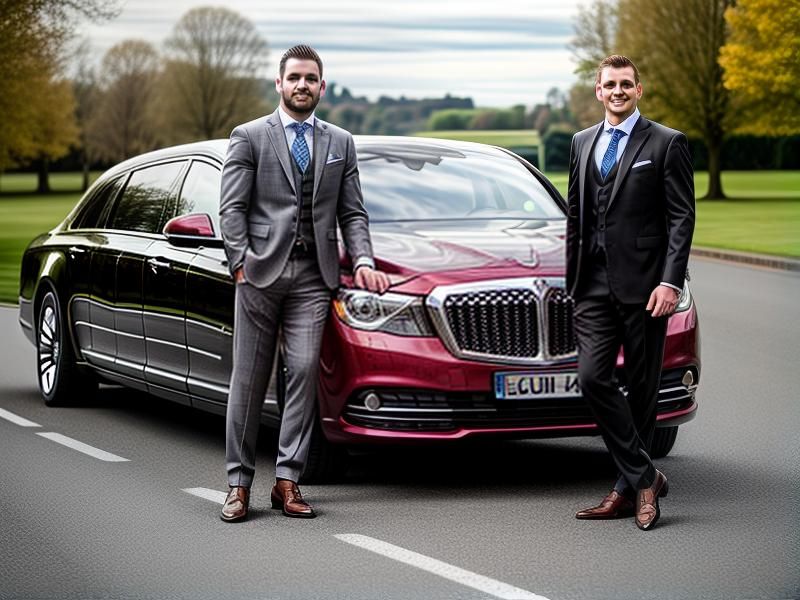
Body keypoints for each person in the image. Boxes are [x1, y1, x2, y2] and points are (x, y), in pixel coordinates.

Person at [218, 44, 390, 521]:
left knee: (303, 376)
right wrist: (241, 265)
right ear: (279, 83)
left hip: (315, 278)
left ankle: (288, 482)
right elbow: (231, 209)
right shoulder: (249, 136)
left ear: (322, 86)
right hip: (259, 276)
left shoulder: (341, 143)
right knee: (248, 382)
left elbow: (353, 212)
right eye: (294, 77)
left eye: (310, 78)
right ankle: (238, 485)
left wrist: (362, 260)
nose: (302, 85)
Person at [566, 55, 695, 530]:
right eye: (609, 85)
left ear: (638, 90)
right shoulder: (581, 143)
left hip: (646, 288)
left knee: (642, 391)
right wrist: (572, 281)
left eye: (626, 84)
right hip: (592, 287)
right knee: (592, 377)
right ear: (598, 92)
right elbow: (576, 217)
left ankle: (625, 488)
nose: (617, 91)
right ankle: (646, 478)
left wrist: (669, 280)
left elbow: (682, 217)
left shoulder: (666, 143)